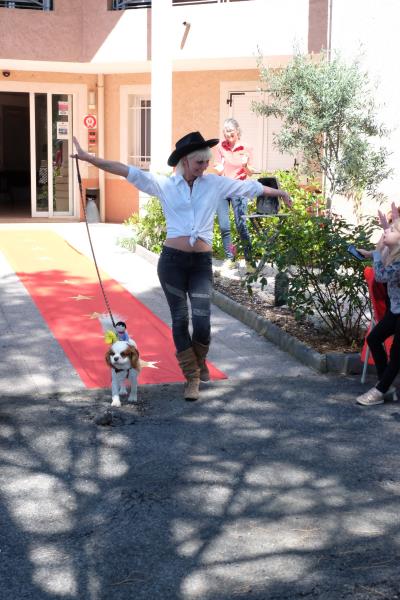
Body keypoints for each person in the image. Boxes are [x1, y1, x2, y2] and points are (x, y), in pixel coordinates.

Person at [72, 131, 292, 401]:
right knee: (180, 319)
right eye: (199, 162)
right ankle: (192, 377)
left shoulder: (214, 184)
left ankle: (199, 362)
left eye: (206, 162)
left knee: (202, 319)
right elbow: (125, 170)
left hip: (200, 263)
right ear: (185, 161)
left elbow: (251, 188)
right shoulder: (164, 185)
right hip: (172, 264)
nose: (204, 167)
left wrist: (280, 192)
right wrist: (89, 158)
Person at [214, 119, 288, 273]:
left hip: (239, 189)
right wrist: (219, 169)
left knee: (241, 226)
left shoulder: (245, 148)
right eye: (226, 133)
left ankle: (249, 261)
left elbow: (249, 173)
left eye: (231, 133)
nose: (228, 136)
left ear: (237, 132)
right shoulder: (221, 147)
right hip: (222, 190)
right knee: (224, 226)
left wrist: (245, 165)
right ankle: (230, 258)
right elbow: (218, 168)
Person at [356, 217, 400, 406]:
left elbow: (381, 276)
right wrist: (371, 253)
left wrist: (374, 255)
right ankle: (385, 384)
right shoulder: (394, 255)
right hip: (396, 310)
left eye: (391, 230)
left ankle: (380, 390)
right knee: (374, 338)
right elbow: (383, 253)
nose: (385, 232)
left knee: (397, 354)